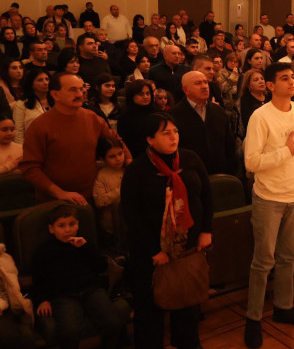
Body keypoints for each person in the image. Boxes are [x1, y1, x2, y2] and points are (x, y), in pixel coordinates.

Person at [121, 113, 213, 349]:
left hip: (187, 246)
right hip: (151, 253)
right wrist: (155, 251)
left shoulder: (190, 158)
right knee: (150, 311)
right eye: (166, 133)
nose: (174, 137)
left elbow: (206, 195)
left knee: (187, 304)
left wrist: (206, 230)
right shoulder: (138, 170)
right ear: (150, 139)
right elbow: (132, 215)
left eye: (175, 132)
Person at [242, 63, 294, 348]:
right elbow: (251, 163)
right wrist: (286, 151)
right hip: (269, 198)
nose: (292, 82)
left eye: (293, 77)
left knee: (289, 257)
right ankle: (253, 318)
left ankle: (284, 307)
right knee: (263, 262)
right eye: (285, 78)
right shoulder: (260, 117)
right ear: (271, 85)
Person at [21, 73, 130, 203]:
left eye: (81, 88)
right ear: (55, 94)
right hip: (56, 200)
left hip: (91, 194)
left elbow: (115, 140)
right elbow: (30, 168)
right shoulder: (40, 126)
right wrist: (60, 193)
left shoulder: (92, 118)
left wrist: (129, 161)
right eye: (73, 89)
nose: (80, 94)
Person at [32, 203, 125, 349]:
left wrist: (86, 248)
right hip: (63, 296)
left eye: (72, 224)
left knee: (113, 323)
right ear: (51, 229)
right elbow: (38, 279)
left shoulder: (84, 244)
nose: (68, 230)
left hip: (91, 290)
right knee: (70, 331)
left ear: (78, 225)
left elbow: (101, 267)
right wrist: (42, 300)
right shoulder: (44, 251)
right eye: (61, 226)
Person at [169, 71, 236, 176]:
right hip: (191, 174)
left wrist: (230, 171)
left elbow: (229, 144)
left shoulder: (218, 111)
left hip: (220, 173)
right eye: (198, 83)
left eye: (205, 82)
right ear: (186, 90)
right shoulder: (174, 114)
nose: (204, 86)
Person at [93, 136, 126, 236]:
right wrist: (121, 189)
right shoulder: (102, 175)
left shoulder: (129, 169)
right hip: (113, 223)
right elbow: (99, 201)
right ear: (103, 159)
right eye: (112, 156)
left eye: (120, 153)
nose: (118, 159)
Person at [13, 68, 52, 145]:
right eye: (40, 80)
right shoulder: (22, 104)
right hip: (32, 145)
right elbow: (18, 131)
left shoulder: (57, 100)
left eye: (47, 79)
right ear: (31, 84)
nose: (45, 83)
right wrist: (21, 149)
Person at [117, 80, 155, 158]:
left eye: (148, 93)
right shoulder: (125, 117)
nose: (146, 97)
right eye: (141, 94)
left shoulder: (156, 112)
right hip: (135, 156)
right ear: (132, 96)